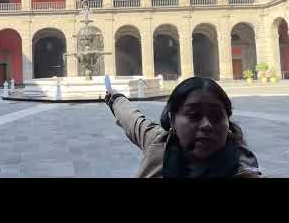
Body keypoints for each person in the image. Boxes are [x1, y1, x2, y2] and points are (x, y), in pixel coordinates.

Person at [105, 76, 262, 178]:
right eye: (194, 115)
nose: (207, 125)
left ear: (227, 121)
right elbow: (131, 119)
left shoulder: (242, 170)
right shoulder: (160, 142)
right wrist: (115, 98)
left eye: (216, 116)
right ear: (172, 120)